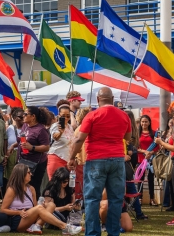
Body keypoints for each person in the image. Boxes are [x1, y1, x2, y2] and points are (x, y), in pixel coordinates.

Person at [67, 87, 132, 236]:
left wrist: (71, 157)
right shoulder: (124, 115)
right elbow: (128, 138)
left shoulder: (92, 115)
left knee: (92, 199)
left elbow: (79, 139)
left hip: (96, 159)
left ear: (98, 99)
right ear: (112, 98)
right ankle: (113, 232)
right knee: (115, 199)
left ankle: (93, 233)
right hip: (117, 159)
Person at [0, 164, 81, 235]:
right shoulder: (12, 189)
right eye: (28, 172)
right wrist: (19, 212)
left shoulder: (31, 189)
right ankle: (65, 226)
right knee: (39, 208)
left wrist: (42, 206)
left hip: (30, 216)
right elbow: (3, 209)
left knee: (51, 205)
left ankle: (37, 226)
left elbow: (35, 207)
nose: (31, 174)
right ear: (21, 174)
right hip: (18, 219)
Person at [19, 106, 51, 198]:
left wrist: (32, 147)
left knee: (33, 187)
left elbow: (46, 147)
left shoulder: (41, 130)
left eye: (25, 114)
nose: (23, 116)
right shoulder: (25, 126)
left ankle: (35, 208)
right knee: (23, 186)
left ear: (33, 116)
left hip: (35, 164)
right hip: (23, 160)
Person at [47, 100, 75, 180]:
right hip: (56, 158)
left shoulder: (70, 127)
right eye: (63, 116)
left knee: (67, 185)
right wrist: (60, 132)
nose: (66, 118)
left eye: (68, 116)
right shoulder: (56, 126)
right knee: (55, 185)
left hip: (68, 161)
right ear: (59, 115)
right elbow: (55, 137)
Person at [136, 115, 159, 206]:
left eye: (146, 121)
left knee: (150, 179)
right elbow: (135, 147)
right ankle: (139, 198)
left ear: (149, 122)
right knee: (140, 179)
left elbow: (157, 146)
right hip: (140, 159)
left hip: (151, 159)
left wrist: (151, 152)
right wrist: (144, 151)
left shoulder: (154, 133)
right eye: (142, 121)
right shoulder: (137, 133)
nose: (144, 123)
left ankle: (152, 199)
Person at [73, 107, 90, 199]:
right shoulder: (84, 128)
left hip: (81, 160)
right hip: (84, 160)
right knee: (83, 184)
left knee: (81, 183)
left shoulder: (78, 129)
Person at [5, 108, 23, 180]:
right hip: (11, 155)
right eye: (21, 117)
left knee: (21, 177)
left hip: (23, 154)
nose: (23, 119)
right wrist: (6, 155)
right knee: (11, 177)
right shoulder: (10, 128)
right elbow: (5, 142)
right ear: (15, 118)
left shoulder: (27, 129)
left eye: (24, 116)